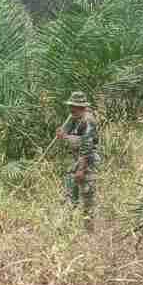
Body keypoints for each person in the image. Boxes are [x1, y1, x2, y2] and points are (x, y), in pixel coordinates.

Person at [56, 91, 100, 230]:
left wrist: (81, 169)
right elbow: (67, 133)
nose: (71, 109)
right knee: (70, 195)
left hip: (87, 163)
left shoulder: (88, 121)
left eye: (73, 106)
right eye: (70, 106)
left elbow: (86, 146)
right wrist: (63, 133)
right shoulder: (75, 117)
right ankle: (65, 228)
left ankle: (89, 231)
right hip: (76, 162)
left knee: (87, 198)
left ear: (80, 107)